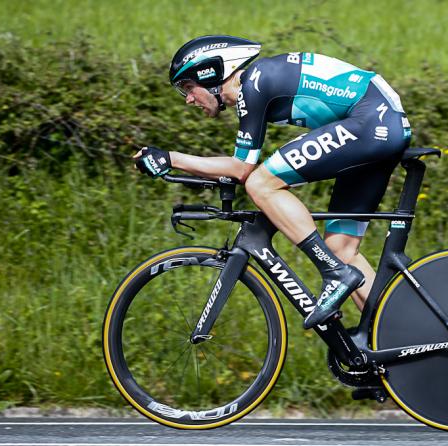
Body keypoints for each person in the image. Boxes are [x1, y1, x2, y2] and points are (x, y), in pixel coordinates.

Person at [135, 35, 411, 329]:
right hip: (377, 123)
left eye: (189, 87)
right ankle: (397, 338)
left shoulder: (255, 82)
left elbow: (242, 170)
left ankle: (335, 274)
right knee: (341, 250)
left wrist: (171, 158)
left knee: (261, 184)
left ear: (211, 74)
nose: (189, 98)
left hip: (372, 122)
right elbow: (237, 167)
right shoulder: (257, 85)